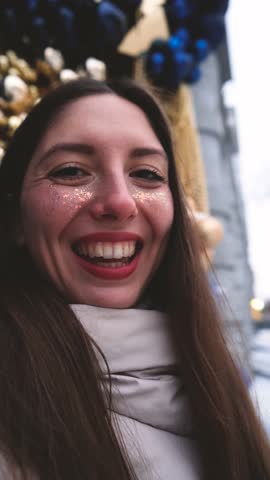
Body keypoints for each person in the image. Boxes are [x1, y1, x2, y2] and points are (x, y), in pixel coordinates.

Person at [0, 78, 269, 480]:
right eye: (72, 170)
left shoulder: (213, 377)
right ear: (16, 217)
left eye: (146, 173)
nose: (121, 202)